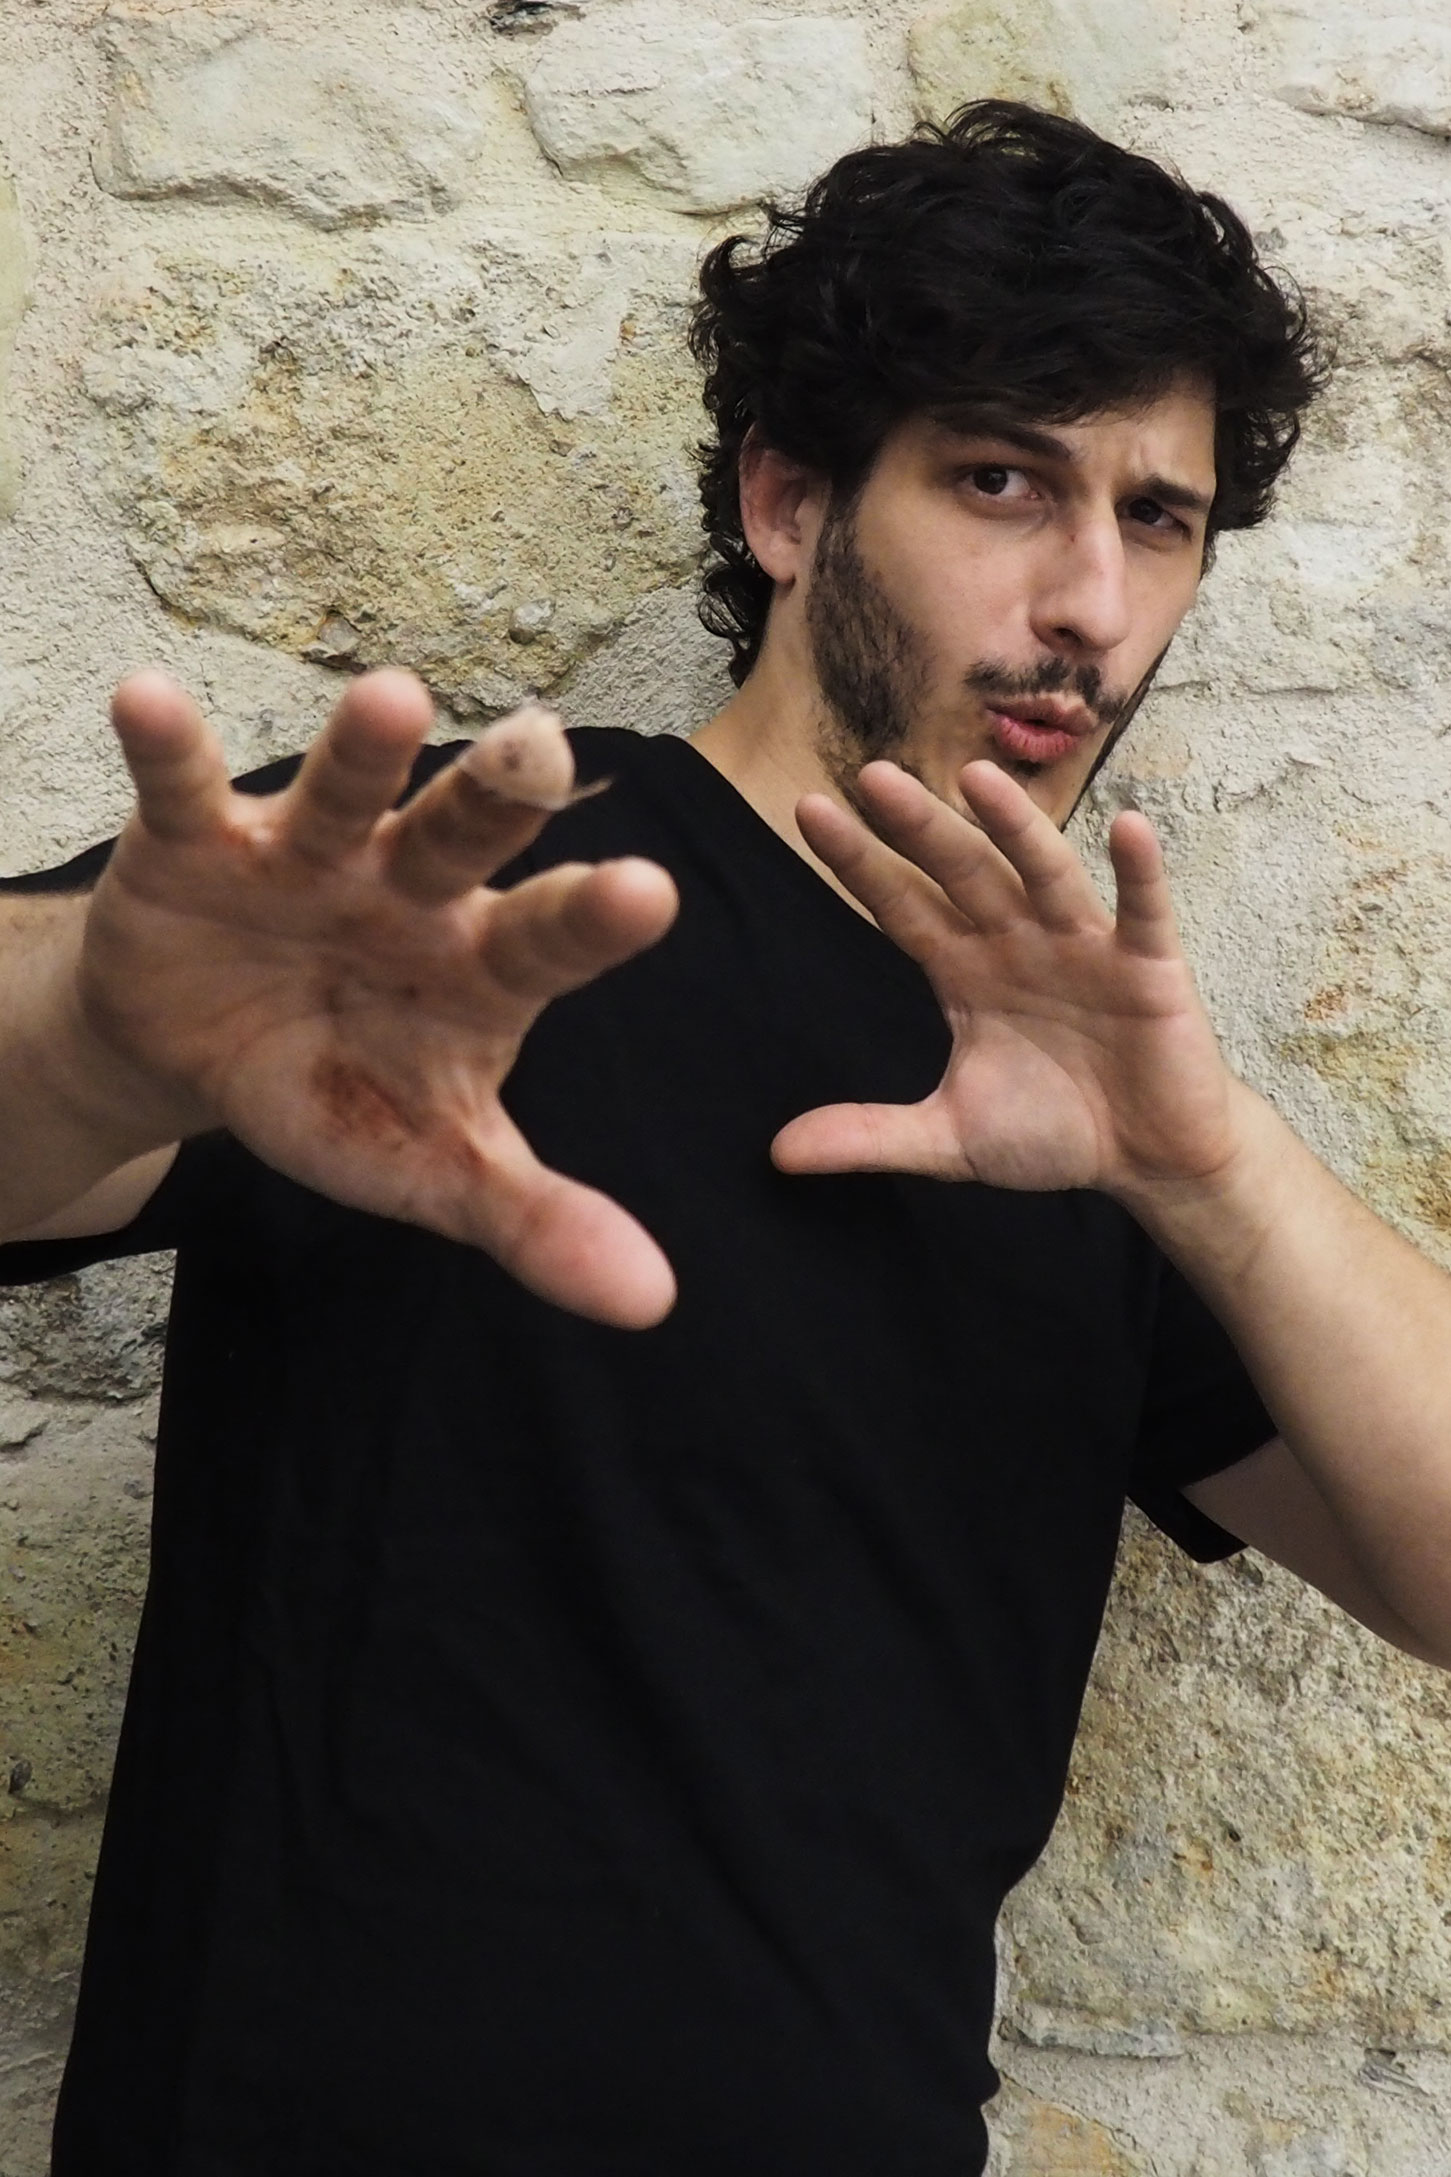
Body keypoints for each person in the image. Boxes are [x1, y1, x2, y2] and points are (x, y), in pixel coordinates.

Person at [2, 101, 1449, 2176]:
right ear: (789, 501)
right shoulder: (456, 902)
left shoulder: (1101, 1094)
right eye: (1002, 480)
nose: (1088, 601)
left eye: (1160, 519)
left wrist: (1209, 1168)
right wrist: (99, 1028)